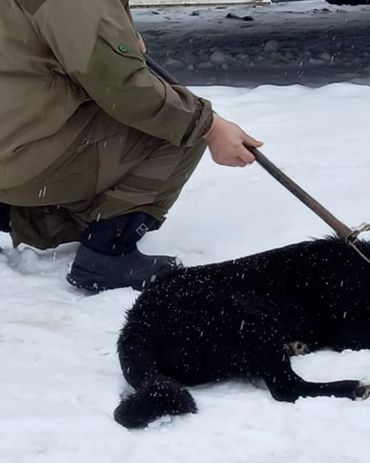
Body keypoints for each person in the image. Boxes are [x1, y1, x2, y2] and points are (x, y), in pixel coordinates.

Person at [0, 0, 262, 291]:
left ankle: (22, 212)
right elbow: (123, 87)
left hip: (12, 130)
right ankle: (107, 251)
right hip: (19, 151)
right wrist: (210, 127)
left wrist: (115, 39)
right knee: (178, 131)